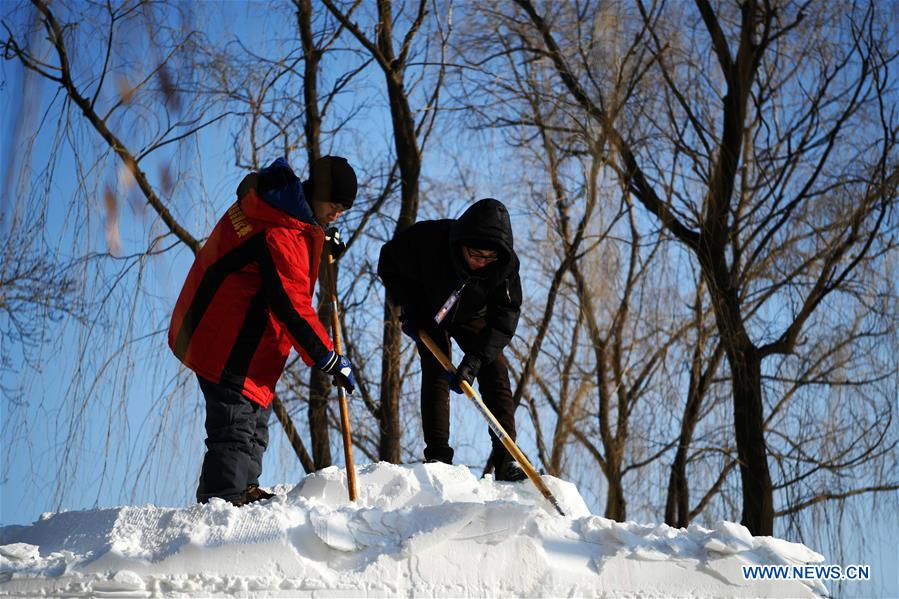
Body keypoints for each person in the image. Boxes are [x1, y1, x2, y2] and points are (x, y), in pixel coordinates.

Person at [168, 156, 358, 506]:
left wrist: (320, 236)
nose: (337, 215)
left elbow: (295, 250)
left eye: (342, 211)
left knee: (254, 424)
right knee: (235, 427)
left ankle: (243, 490)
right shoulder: (280, 230)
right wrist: (328, 358)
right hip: (226, 337)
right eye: (334, 206)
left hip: (242, 339)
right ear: (316, 193)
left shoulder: (282, 210)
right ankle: (222, 501)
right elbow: (291, 304)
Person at [377, 198, 527, 481]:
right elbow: (388, 263)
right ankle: (438, 457)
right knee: (435, 367)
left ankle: (506, 458)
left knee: (495, 370)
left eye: (488, 258)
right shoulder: (428, 239)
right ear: (462, 244)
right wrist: (410, 307)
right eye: (475, 255)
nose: (481, 263)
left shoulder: (505, 266)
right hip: (429, 308)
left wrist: (475, 359)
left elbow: (506, 317)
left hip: (473, 314)